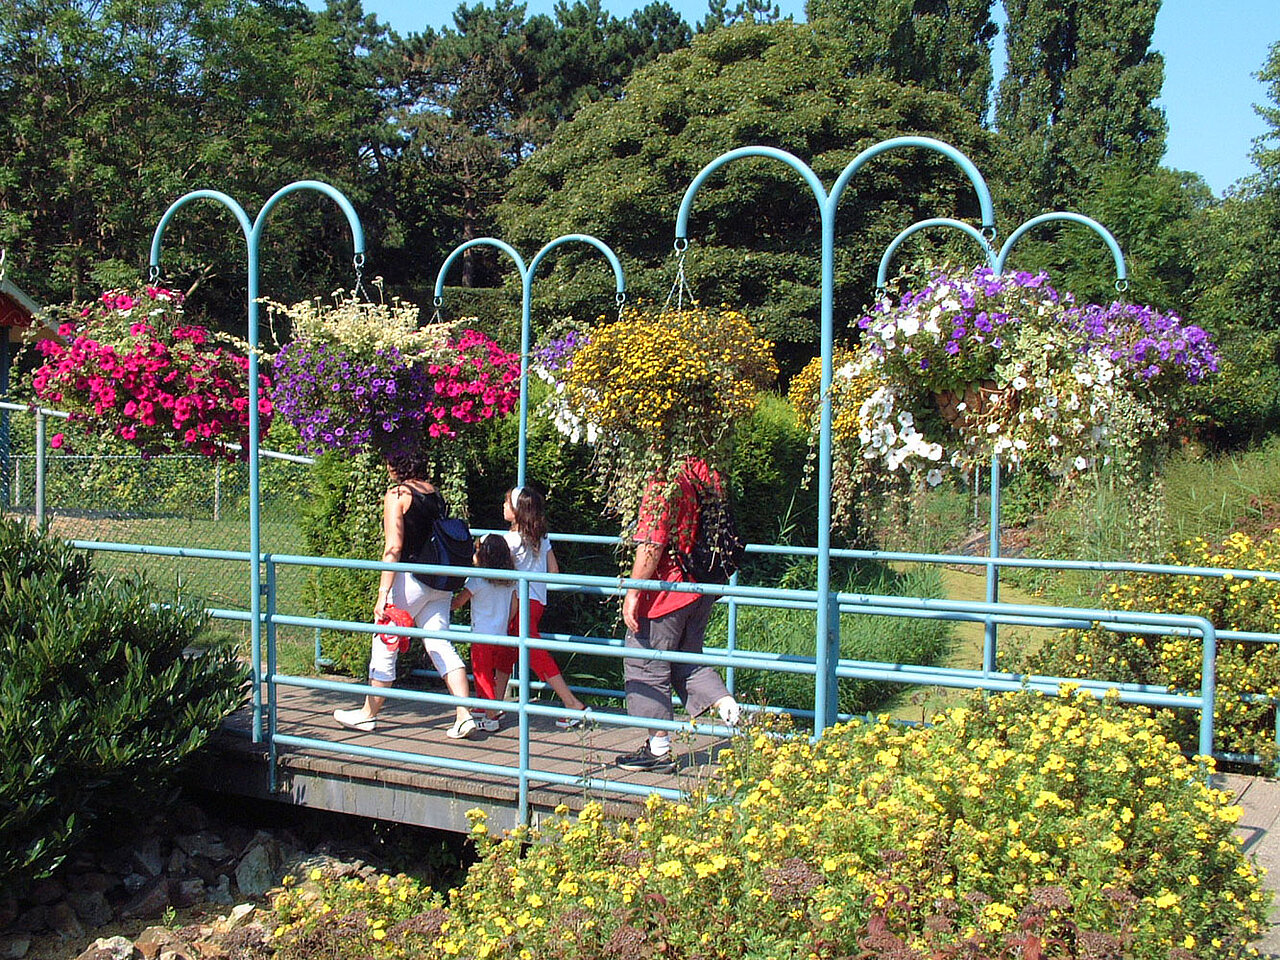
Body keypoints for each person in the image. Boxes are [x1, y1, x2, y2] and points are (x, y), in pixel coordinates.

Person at [334, 448, 477, 740]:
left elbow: (394, 547)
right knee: (440, 643)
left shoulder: (397, 495)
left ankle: (367, 715)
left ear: (396, 466)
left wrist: (383, 593)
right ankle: (464, 714)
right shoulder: (434, 494)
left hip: (409, 579)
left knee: (385, 640)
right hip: (439, 581)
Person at [616, 457, 740, 773]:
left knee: (646, 662)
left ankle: (657, 751)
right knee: (687, 658)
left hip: (669, 590)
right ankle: (729, 709)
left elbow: (652, 543)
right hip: (702, 585)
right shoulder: (705, 471)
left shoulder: (664, 481)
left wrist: (633, 592)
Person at [481, 485, 589, 729]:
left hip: (516, 603)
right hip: (537, 600)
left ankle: (573, 704)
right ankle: (494, 709)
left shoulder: (508, 541)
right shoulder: (541, 536)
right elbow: (554, 571)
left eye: (508, 503)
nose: (504, 506)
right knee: (508, 653)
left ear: (518, 510)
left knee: (533, 652)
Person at [452, 534, 518, 733]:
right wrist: (505, 621)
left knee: (482, 675)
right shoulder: (510, 580)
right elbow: (515, 605)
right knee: (493, 676)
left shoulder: (477, 580)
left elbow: (458, 603)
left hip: (481, 636)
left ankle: (492, 716)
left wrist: (446, 601)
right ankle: (491, 707)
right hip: (501, 635)